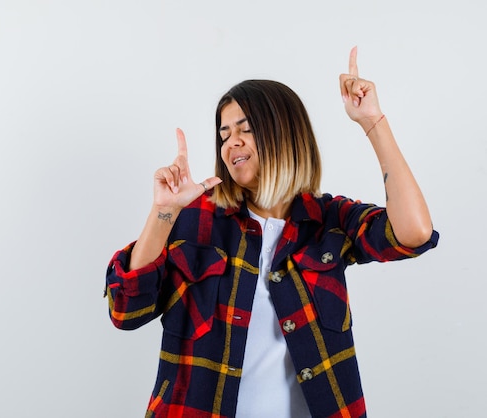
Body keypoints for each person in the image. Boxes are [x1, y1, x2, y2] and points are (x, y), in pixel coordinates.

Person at [104, 47, 438, 418]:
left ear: (286, 136)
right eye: (225, 134)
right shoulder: (194, 217)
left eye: (246, 130)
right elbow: (125, 309)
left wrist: (373, 122)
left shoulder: (327, 219)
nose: (232, 143)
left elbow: (414, 232)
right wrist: (163, 212)